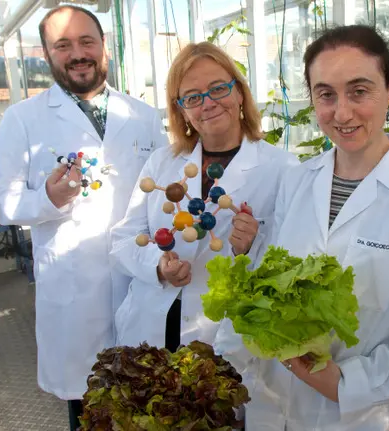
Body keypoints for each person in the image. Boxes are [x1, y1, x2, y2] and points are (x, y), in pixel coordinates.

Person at [216, 25, 389, 430]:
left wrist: (345, 383)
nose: (342, 112)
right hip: (270, 401)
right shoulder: (298, 180)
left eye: (359, 90)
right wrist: (224, 360)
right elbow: (268, 281)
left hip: (355, 413)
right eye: (326, 94)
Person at [0, 5, 166, 430]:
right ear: (46, 54)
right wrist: (47, 197)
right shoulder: (22, 119)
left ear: (105, 48)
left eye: (87, 42)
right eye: (63, 45)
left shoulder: (144, 116)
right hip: (72, 293)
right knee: (90, 412)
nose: (77, 53)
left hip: (139, 284)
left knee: (150, 402)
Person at [109, 42, 297, 354]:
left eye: (218, 89)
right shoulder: (162, 162)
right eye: (193, 97)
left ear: (239, 93)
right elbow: (124, 239)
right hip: (152, 321)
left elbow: (294, 260)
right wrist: (158, 266)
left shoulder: (284, 168)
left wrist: (250, 249)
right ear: (181, 110)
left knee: (212, 398)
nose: (207, 103)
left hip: (222, 331)